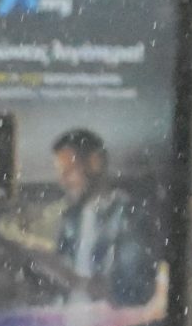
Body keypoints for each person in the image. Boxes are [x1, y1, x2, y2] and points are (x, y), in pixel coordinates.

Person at [38, 127, 158, 309]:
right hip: (70, 322)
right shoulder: (71, 218)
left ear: (95, 163)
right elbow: (60, 274)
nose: (62, 181)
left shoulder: (129, 215)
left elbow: (135, 292)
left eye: (68, 171)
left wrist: (74, 280)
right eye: (60, 173)